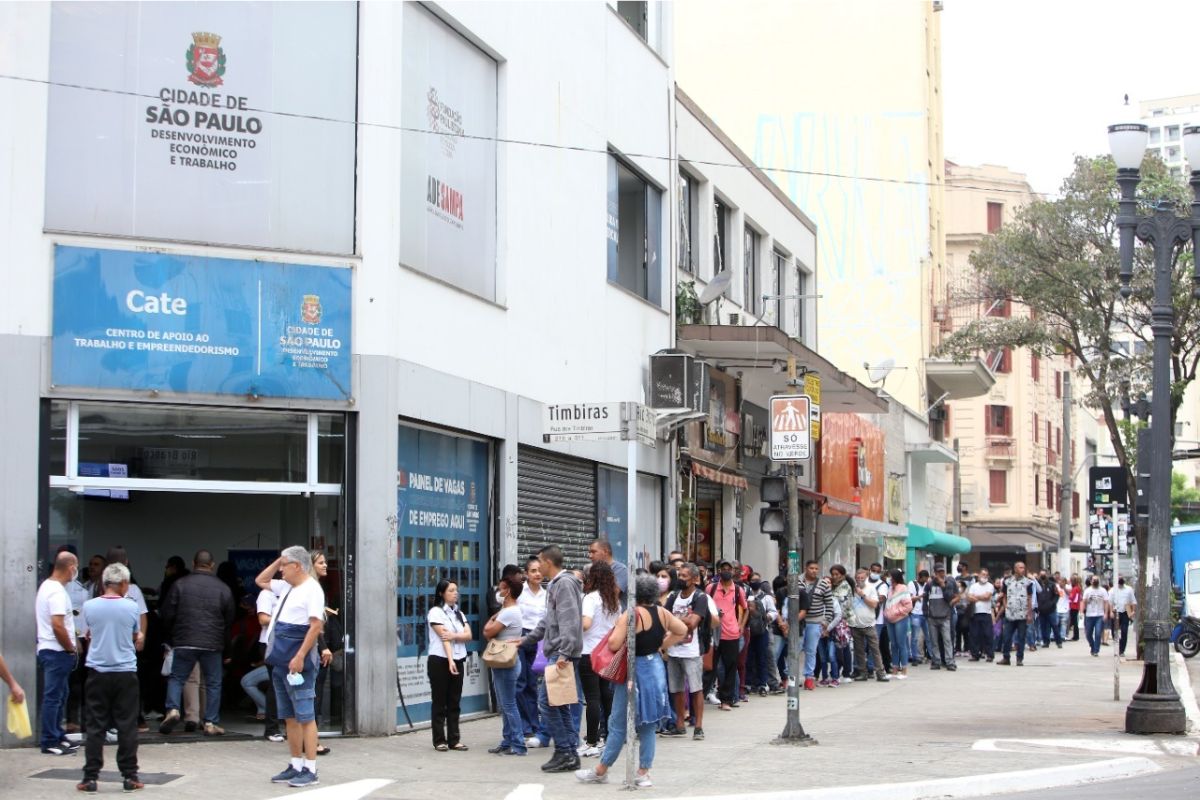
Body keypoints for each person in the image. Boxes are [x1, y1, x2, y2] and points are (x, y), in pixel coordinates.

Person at [575, 575, 687, 787]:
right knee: (648, 724)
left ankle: (601, 770)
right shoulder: (662, 612)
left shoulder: (632, 614)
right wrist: (663, 646)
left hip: (634, 671)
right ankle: (643, 772)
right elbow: (681, 630)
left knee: (617, 723)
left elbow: (615, 644)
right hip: (655, 669)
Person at [259, 547, 326, 788]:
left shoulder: (312, 590)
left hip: (298, 662)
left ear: (297, 566)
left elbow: (315, 626)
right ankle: (295, 764)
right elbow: (261, 580)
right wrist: (280, 559)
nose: (280, 569)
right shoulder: (287, 586)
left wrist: (300, 656)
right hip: (281, 660)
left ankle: (311, 768)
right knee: (289, 715)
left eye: (285, 565)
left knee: (305, 715)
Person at [76, 563, 144, 794]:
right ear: (124, 583)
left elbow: (86, 635)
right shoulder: (131, 607)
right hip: (125, 672)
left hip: (97, 671)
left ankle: (90, 777)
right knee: (127, 725)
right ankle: (129, 776)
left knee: (95, 725)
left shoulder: (89, 606)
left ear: (104, 583)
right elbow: (136, 635)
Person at [158, 550, 234, 736]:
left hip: (184, 640)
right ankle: (210, 722)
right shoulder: (223, 588)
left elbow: (167, 613)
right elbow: (229, 620)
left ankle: (173, 710)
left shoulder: (180, 584)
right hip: (212, 643)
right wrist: (227, 649)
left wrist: (171, 638)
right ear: (212, 565)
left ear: (193, 563)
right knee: (213, 683)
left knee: (177, 678)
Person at [522, 545, 584, 773]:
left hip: (561, 654)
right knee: (559, 705)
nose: (538, 566)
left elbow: (570, 621)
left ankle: (564, 751)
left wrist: (565, 653)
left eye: (540, 561)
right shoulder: (558, 585)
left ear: (548, 562)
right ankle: (569, 753)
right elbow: (549, 621)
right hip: (560, 652)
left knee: (546, 704)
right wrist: (526, 640)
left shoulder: (564, 584)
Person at [37, 551, 80, 756]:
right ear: (71, 567)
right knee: (53, 697)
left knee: (61, 695)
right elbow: (57, 625)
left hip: (54, 651)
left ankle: (57, 734)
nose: (77, 572)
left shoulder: (49, 587)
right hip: (56, 652)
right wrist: (70, 647)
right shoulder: (55, 591)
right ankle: (49, 740)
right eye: (76, 567)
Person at [663, 562, 710, 740]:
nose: (680, 579)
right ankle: (679, 724)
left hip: (692, 651)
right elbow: (663, 617)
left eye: (684, 576)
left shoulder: (700, 597)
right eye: (679, 575)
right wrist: (681, 619)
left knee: (696, 689)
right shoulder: (673, 596)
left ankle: (698, 727)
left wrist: (674, 620)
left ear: (694, 579)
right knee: (676, 689)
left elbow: (693, 623)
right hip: (674, 651)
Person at [424, 579, 471, 752]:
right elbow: (445, 639)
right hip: (440, 660)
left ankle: (454, 739)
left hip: (459, 658)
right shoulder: (436, 612)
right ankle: (439, 740)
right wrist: (450, 660)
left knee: (454, 701)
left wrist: (454, 635)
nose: (455, 593)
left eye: (456, 590)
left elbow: (469, 635)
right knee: (439, 701)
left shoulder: (459, 613)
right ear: (442, 593)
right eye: (451, 590)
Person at [578, 561, 620, 756]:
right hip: (608, 654)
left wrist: (572, 622)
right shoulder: (614, 601)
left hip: (589, 653)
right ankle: (608, 738)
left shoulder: (590, 598)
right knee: (606, 697)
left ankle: (592, 742)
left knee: (592, 699)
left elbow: (585, 624)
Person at [484, 574, 527, 756]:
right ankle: (507, 740)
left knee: (508, 704)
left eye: (501, 588)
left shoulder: (509, 612)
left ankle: (518, 744)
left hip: (504, 662)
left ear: (508, 591)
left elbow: (488, 631)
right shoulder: (511, 610)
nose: (499, 592)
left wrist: (493, 617)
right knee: (506, 703)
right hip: (507, 659)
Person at [706, 560, 747, 709]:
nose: (726, 571)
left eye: (729, 569)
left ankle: (726, 700)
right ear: (718, 571)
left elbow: (746, 608)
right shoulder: (710, 588)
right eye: (723, 568)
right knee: (709, 667)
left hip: (731, 634)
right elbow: (704, 607)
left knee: (730, 667)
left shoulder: (738, 590)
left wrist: (741, 626)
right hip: (713, 634)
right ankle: (700, 697)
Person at [800, 560, 832, 691]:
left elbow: (829, 604)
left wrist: (825, 622)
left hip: (815, 622)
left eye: (816, 569)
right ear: (806, 568)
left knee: (811, 651)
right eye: (811, 568)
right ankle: (790, 677)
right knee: (795, 649)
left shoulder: (823, 584)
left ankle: (809, 677)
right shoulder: (796, 581)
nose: (814, 571)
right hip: (799, 622)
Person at [997, 562, 1035, 666]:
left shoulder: (1028, 582)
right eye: (1020, 567)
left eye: (1023, 567)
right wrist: (1005, 606)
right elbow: (1003, 595)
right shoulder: (1007, 581)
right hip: (1010, 613)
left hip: (1022, 614)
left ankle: (1019, 658)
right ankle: (1006, 657)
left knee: (1021, 637)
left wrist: (1030, 613)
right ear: (1015, 569)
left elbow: (1030, 597)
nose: (1023, 569)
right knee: (1006, 636)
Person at [924, 563, 958, 671]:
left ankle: (950, 662)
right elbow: (925, 599)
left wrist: (943, 585)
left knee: (947, 640)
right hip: (932, 617)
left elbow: (949, 598)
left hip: (945, 617)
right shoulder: (929, 585)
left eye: (942, 571)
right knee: (934, 641)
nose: (941, 574)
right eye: (939, 572)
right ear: (935, 573)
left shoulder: (949, 583)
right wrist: (926, 613)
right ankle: (936, 661)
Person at [883, 569, 912, 678]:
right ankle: (895, 669)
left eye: (891, 577)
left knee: (901, 644)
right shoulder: (890, 588)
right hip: (890, 620)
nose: (889, 578)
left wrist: (897, 612)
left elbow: (908, 606)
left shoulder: (903, 588)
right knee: (893, 645)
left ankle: (904, 670)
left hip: (900, 619)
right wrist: (887, 613)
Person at [588, 538, 629, 603]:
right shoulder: (590, 568)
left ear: (605, 552)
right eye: (589, 552)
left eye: (593, 552)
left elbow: (612, 595)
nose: (590, 556)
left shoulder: (621, 569)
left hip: (616, 612)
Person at [967, 569, 995, 662]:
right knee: (974, 635)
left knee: (987, 634)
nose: (985, 576)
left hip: (986, 613)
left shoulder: (990, 586)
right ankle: (975, 654)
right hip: (975, 613)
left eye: (986, 575)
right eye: (983, 574)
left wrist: (976, 596)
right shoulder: (973, 586)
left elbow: (987, 597)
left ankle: (990, 654)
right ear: (978, 575)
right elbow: (969, 597)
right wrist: (980, 597)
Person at [1082, 577, 1110, 657]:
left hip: (1099, 615)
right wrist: (1082, 611)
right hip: (1089, 615)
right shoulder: (1087, 591)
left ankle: (1096, 650)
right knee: (1088, 634)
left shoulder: (1103, 591)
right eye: (1094, 580)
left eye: (1097, 580)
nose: (1095, 581)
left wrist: (1105, 614)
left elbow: (1106, 602)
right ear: (1091, 581)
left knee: (1098, 633)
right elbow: (1083, 602)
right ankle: (1092, 645)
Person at [1109, 577, 1137, 657]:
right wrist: (1110, 612)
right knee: (1115, 632)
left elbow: (1133, 601)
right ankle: (1116, 649)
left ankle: (1121, 650)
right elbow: (1110, 602)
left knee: (1124, 631)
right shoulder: (1112, 590)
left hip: (1125, 613)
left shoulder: (1129, 589)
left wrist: (1133, 611)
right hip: (1115, 612)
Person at [1036, 573, 1064, 649]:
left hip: (1051, 610)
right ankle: (1046, 642)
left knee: (1054, 626)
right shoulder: (1037, 585)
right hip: (1041, 610)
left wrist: (1052, 603)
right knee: (1043, 627)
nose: (1042, 576)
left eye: (1043, 574)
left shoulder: (1052, 585)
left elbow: (1057, 595)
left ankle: (1059, 642)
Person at [907, 570, 929, 666]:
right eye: (924, 579)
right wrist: (920, 596)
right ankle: (915, 657)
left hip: (925, 613)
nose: (925, 581)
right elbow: (909, 598)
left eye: (926, 579)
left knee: (929, 636)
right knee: (915, 637)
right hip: (915, 613)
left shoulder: (927, 585)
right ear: (919, 577)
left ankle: (931, 656)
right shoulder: (912, 584)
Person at [1068, 576, 1083, 641]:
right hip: (1076, 606)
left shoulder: (1075, 588)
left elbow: (1072, 597)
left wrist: (1069, 598)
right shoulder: (1078, 588)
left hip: (1073, 606)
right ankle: (1075, 635)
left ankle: (1075, 636)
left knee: (1074, 621)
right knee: (1074, 622)